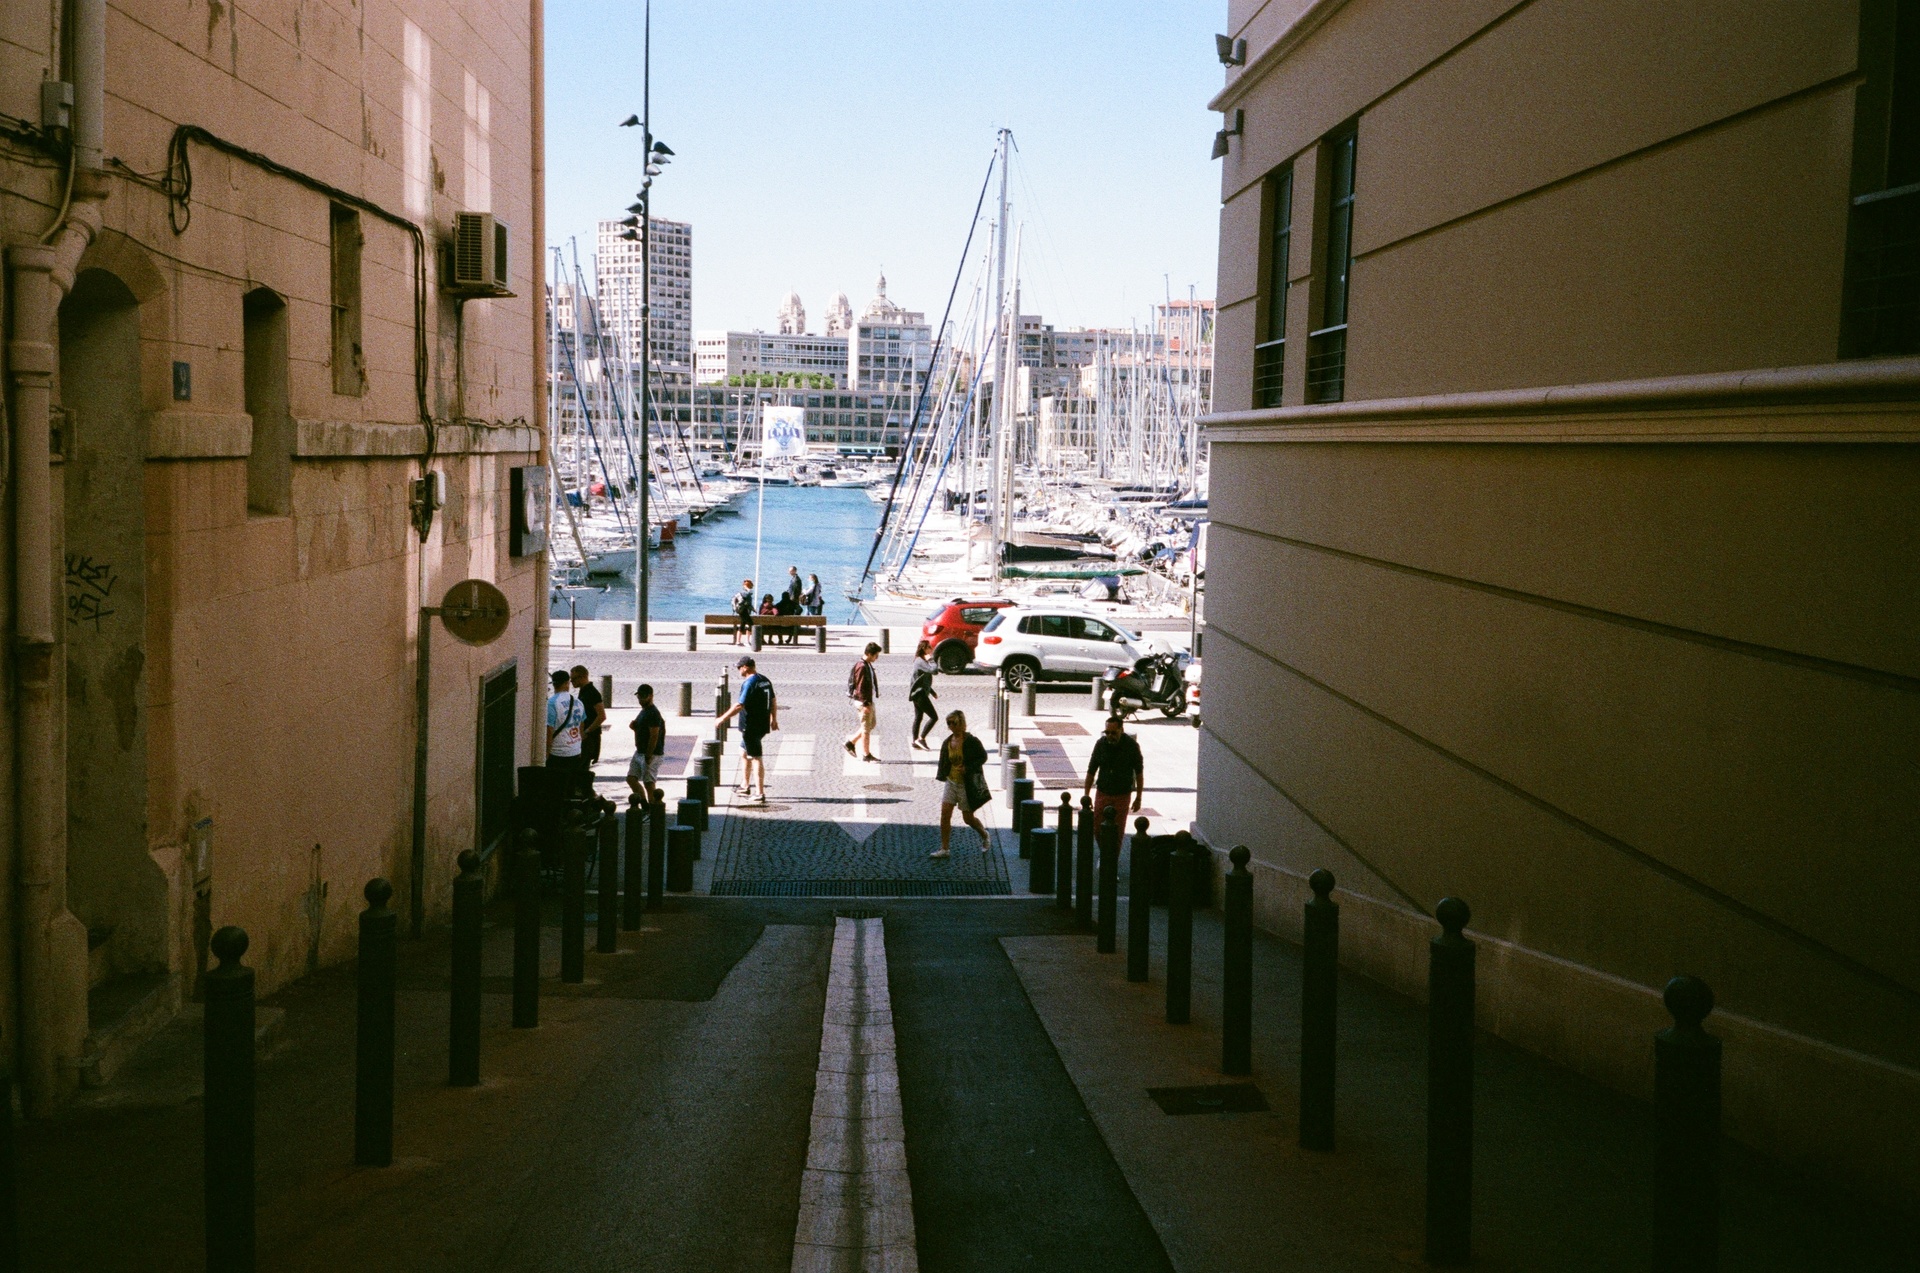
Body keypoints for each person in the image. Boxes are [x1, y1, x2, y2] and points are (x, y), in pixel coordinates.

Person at [715, 656, 778, 802]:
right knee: (743, 752)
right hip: (761, 724)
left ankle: (760, 793)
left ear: (745, 667)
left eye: (739, 667)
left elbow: (739, 705)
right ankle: (745, 785)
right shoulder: (764, 680)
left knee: (756, 758)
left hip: (752, 726)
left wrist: (722, 718)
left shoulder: (749, 683)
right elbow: (773, 700)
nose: (738, 670)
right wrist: (773, 719)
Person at [930, 709, 990, 858]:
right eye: (948, 723)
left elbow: (983, 757)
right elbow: (944, 761)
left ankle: (984, 834)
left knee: (968, 818)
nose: (950, 726)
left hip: (965, 784)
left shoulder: (971, 741)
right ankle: (945, 849)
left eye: (953, 723)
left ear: (961, 723)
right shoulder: (947, 742)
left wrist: (968, 768)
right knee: (945, 815)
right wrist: (943, 775)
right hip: (951, 782)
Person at [1083, 713, 1146, 832]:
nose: (1110, 736)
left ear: (1121, 730)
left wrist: (1138, 798)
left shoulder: (1131, 746)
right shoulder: (1100, 744)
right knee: (1097, 828)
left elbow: (1139, 773)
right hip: (1103, 792)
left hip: (1122, 794)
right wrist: (1086, 795)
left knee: (1117, 830)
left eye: (1113, 733)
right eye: (1107, 733)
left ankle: (1113, 851)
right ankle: (1104, 850)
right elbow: (1091, 771)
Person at [545, 668, 587, 793]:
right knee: (571, 787)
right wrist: (579, 745)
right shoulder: (578, 702)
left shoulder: (552, 703)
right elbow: (581, 726)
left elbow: (549, 730)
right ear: (567, 683)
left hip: (557, 752)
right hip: (574, 750)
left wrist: (547, 752)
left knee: (556, 788)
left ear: (553, 684)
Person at [626, 683, 666, 804]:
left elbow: (654, 735)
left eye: (643, 696)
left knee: (649, 784)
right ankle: (645, 805)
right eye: (639, 696)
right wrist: (634, 727)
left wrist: (649, 755)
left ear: (651, 696)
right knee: (631, 779)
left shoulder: (653, 713)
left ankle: (654, 810)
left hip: (651, 754)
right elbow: (644, 730)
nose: (640, 699)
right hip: (640, 752)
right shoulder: (644, 711)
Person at [570, 665, 605, 797]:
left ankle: (592, 800)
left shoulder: (592, 693)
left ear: (583, 676)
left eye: (574, 679)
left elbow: (601, 716)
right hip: (583, 737)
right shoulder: (583, 691)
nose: (572, 682)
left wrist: (587, 732)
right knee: (581, 772)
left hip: (589, 738)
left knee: (581, 772)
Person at [844, 641, 882, 762]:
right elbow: (860, 687)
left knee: (871, 724)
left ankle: (851, 743)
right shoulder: (862, 666)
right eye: (876, 655)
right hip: (863, 702)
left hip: (867, 700)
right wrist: (866, 704)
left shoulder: (867, 664)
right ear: (870, 654)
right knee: (866, 728)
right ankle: (866, 754)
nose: (877, 658)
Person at [908, 640, 939, 750]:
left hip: (918, 693)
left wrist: (932, 692)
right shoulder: (921, 661)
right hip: (919, 694)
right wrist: (930, 659)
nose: (931, 649)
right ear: (924, 649)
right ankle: (921, 738)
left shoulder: (920, 661)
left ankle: (915, 742)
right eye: (929, 647)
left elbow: (921, 680)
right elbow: (935, 670)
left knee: (918, 717)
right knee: (934, 717)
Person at [731, 578, 755, 645]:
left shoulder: (740, 593)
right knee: (751, 625)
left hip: (740, 611)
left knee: (742, 625)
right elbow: (748, 603)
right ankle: (747, 641)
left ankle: (738, 641)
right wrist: (752, 609)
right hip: (744, 611)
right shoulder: (747, 593)